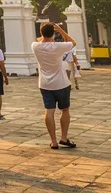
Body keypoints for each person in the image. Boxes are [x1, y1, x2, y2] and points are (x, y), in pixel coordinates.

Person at [31, 22, 77, 150]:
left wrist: (44, 31)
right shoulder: (58, 46)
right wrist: (61, 30)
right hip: (61, 83)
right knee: (65, 110)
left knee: (49, 111)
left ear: (41, 33)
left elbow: (40, 39)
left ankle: (53, 141)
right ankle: (63, 137)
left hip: (45, 84)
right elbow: (73, 42)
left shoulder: (35, 46)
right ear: (53, 33)